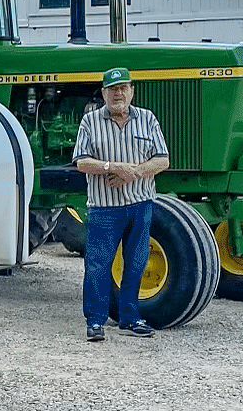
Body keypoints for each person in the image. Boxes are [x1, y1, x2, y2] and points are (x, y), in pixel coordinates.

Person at [72, 67, 170, 342]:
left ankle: (129, 319)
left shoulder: (147, 119)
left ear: (132, 91)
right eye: (112, 89)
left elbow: (162, 160)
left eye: (123, 88)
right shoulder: (90, 122)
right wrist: (111, 167)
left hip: (140, 205)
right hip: (104, 208)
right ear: (103, 93)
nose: (118, 93)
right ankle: (95, 322)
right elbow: (81, 162)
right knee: (97, 265)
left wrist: (134, 172)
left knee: (136, 263)